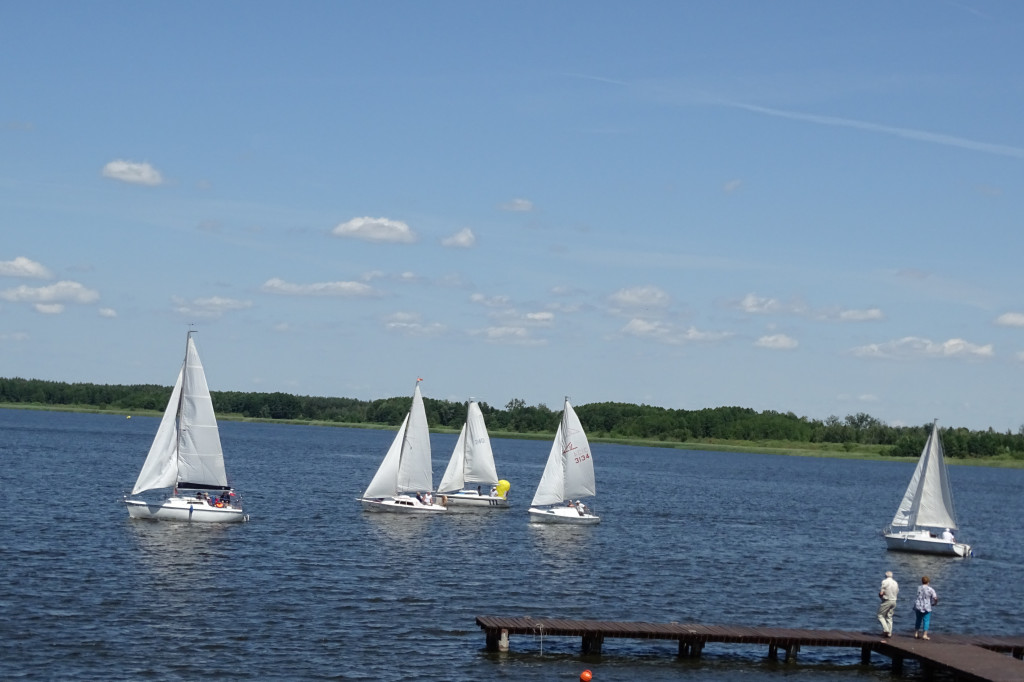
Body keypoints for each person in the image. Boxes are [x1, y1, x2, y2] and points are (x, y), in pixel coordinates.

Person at [876, 570, 899, 637]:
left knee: (880, 615)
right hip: (894, 600)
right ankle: (889, 633)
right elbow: (897, 591)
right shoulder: (895, 583)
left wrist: (880, 595)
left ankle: (886, 630)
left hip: (887, 600)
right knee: (889, 616)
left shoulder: (884, 582)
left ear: (886, 576)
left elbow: (881, 593)